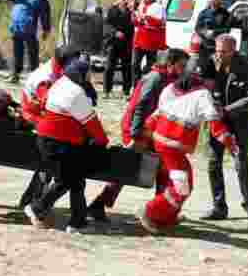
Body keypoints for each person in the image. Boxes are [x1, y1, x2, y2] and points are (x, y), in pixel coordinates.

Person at [87, 49, 188, 222]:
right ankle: (98, 204)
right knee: (127, 169)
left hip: (151, 131)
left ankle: (161, 211)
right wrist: (136, 135)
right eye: (181, 66)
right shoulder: (155, 78)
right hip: (138, 130)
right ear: (170, 64)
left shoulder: (169, 78)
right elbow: (140, 106)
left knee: (162, 170)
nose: (183, 69)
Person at [138, 57, 237, 234]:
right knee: (182, 188)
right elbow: (216, 126)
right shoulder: (203, 95)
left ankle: (167, 216)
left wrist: (145, 134)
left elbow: (156, 114)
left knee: (183, 183)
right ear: (207, 79)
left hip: (160, 141)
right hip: (173, 148)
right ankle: (151, 212)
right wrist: (231, 143)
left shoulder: (170, 88)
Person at [24, 56, 110, 234]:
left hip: (49, 140)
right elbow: (92, 123)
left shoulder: (61, 83)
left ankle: (77, 222)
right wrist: (102, 142)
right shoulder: (76, 93)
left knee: (76, 179)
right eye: (88, 75)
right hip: (60, 143)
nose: (89, 79)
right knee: (67, 180)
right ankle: (37, 208)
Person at [199, 35, 248, 223]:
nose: (219, 54)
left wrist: (227, 110)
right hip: (217, 121)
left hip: (239, 121)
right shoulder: (210, 62)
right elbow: (200, 86)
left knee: (240, 162)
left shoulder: (246, 67)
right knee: (213, 162)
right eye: (217, 50)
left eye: (223, 51)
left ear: (233, 50)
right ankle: (219, 207)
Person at [17, 45, 81, 209]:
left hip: (43, 115)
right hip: (33, 117)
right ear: (65, 63)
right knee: (56, 153)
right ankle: (33, 201)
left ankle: (30, 199)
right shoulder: (45, 78)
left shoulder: (57, 69)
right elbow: (51, 104)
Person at [0, 0, 52, 84]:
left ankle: (35, 77)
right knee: (17, 53)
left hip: (29, 29)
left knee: (33, 53)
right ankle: (15, 75)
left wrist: (45, 29)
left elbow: (45, 14)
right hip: (16, 28)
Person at [194, 0, 241, 67]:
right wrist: (204, 32)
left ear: (219, 0)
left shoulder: (225, 14)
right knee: (204, 69)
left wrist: (214, 32)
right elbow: (197, 28)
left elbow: (227, 29)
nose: (213, 0)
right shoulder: (203, 13)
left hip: (219, 49)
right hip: (205, 47)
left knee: (218, 70)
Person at [132, 0, 167, 86]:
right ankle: (135, 87)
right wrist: (135, 19)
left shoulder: (158, 7)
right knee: (135, 64)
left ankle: (147, 85)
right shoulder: (141, 6)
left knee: (150, 66)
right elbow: (138, 22)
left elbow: (160, 23)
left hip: (151, 42)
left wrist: (146, 18)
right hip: (139, 40)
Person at [103, 0, 135, 99]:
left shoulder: (131, 12)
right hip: (113, 42)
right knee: (109, 67)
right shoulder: (112, 10)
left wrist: (132, 9)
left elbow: (135, 25)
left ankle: (126, 91)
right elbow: (106, 25)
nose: (125, 1)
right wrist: (115, 32)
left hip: (126, 43)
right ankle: (107, 91)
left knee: (126, 68)